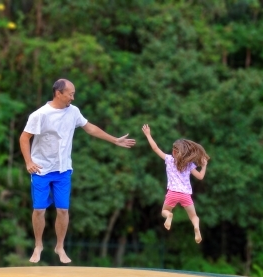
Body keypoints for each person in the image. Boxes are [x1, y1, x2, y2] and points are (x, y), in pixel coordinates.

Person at [20, 79, 136, 264]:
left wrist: (114, 140)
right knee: (39, 210)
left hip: (63, 169)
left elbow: (90, 128)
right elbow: (24, 138)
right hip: (41, 168)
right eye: (70, 94)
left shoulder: (73, 112)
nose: (73, 97)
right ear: (59, 93)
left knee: (63, 210)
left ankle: (60, 246)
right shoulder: (40, 115)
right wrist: (28, 162)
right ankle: (38, 245)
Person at [141, 124, 209, 244]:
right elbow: (200, 177)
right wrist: (204, 166)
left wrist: (148, 135)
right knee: (194, 217)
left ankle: (169, 216)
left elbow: (155, 148)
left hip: (172, 192)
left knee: (164, 211)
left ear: (174, 151)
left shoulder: (169, 159)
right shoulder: (189, 165)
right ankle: (196, 228)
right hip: (185, 195)